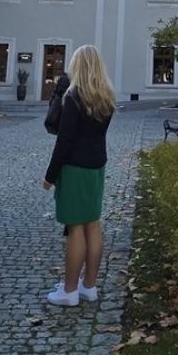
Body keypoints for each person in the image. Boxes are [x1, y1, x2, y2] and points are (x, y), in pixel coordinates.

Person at [41, 44, 113, 306]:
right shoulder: (106, 97)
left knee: (75, 228)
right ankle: (89, 287)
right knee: (92, 224)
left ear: (77, 66)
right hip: (97, 165)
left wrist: (50, 176)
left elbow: (65, 141)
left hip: (74, 167)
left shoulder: (73, 97)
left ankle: (69, 291)